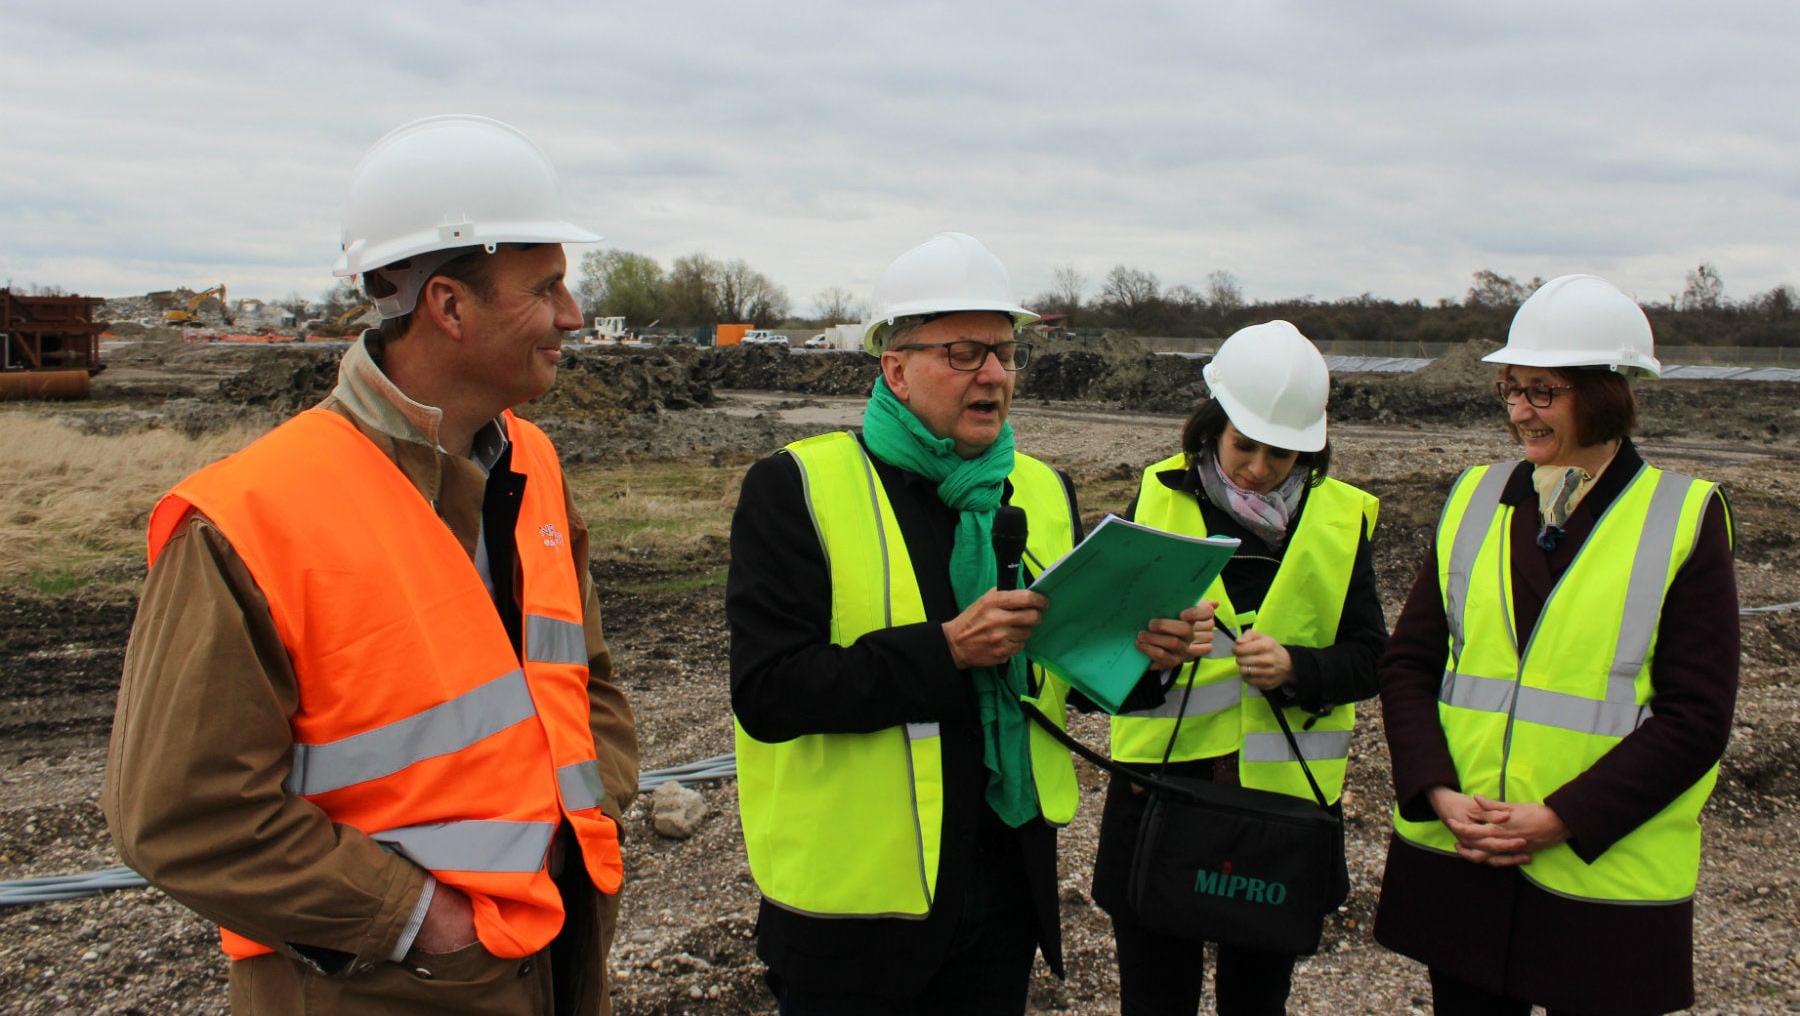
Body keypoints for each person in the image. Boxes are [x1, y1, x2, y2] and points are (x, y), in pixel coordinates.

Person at [104, 114, 640, 1015]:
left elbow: (586, 680)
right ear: (449, 304)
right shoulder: (248, 518)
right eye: (547, 286)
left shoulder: (532, 465)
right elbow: (179, 813)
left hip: (555, 954)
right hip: (387, 989)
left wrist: (596, 813)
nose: (572, 315)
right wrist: (420, 918)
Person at [727, 232, 1216, 1016]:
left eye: (1005, 351)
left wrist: (1146, 655)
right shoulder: (798, 488)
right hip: (855, 914)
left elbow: (1065, 677)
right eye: (963, 352)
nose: (994, 373)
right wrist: (946, 649)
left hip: (1000, 893)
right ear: (894, 366)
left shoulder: (1040, 488)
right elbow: (769, 690)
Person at [1375, 274, 1739, 1016]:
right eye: (1511, 389)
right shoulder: (1474, 497)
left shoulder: (1684, 518)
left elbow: (1696, 716)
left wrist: (1561, 815)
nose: (1517, 412)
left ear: (1605, 392)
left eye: (1541, 392)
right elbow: (1410, 665)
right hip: (1465, 857)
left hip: (1598, 874)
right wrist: (1438, 791)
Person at [1090, 319, 1386, 1016]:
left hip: (1277, 815)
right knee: (1155, 1000)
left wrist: (1297, 668)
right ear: (1211, 426)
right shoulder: (1156, 502)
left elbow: (1372, 658)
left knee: (1257, 1002)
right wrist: (1151, 649)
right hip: (1160, 797)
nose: (1258, 467)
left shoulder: (1344, 522)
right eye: (1243, 445)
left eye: (1280, 454)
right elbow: (1093, 653)